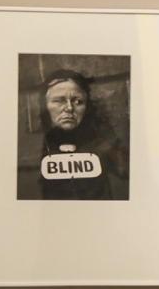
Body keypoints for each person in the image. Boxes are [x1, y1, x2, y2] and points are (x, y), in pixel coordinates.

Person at [35, 69, 128, 200]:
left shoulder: (101, 138)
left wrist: (107, 140)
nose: (69, 108)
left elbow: (126, 171)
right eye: (59, 100)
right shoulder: (41, 143)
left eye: (78, 101)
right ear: (45, 105)